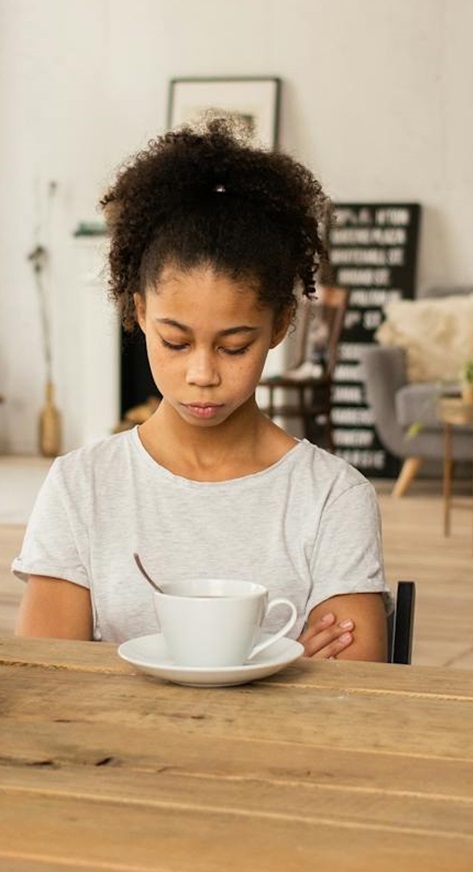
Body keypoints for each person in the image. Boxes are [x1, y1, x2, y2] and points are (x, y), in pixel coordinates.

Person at [13, 119, 387, 661]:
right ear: (139, 312)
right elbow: (51, 679)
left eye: (234, 346)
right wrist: (280, 662)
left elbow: (354, 692)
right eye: (175, 341)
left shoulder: (332, 496)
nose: (203, 374)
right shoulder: (81, 487)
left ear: (281, 324)